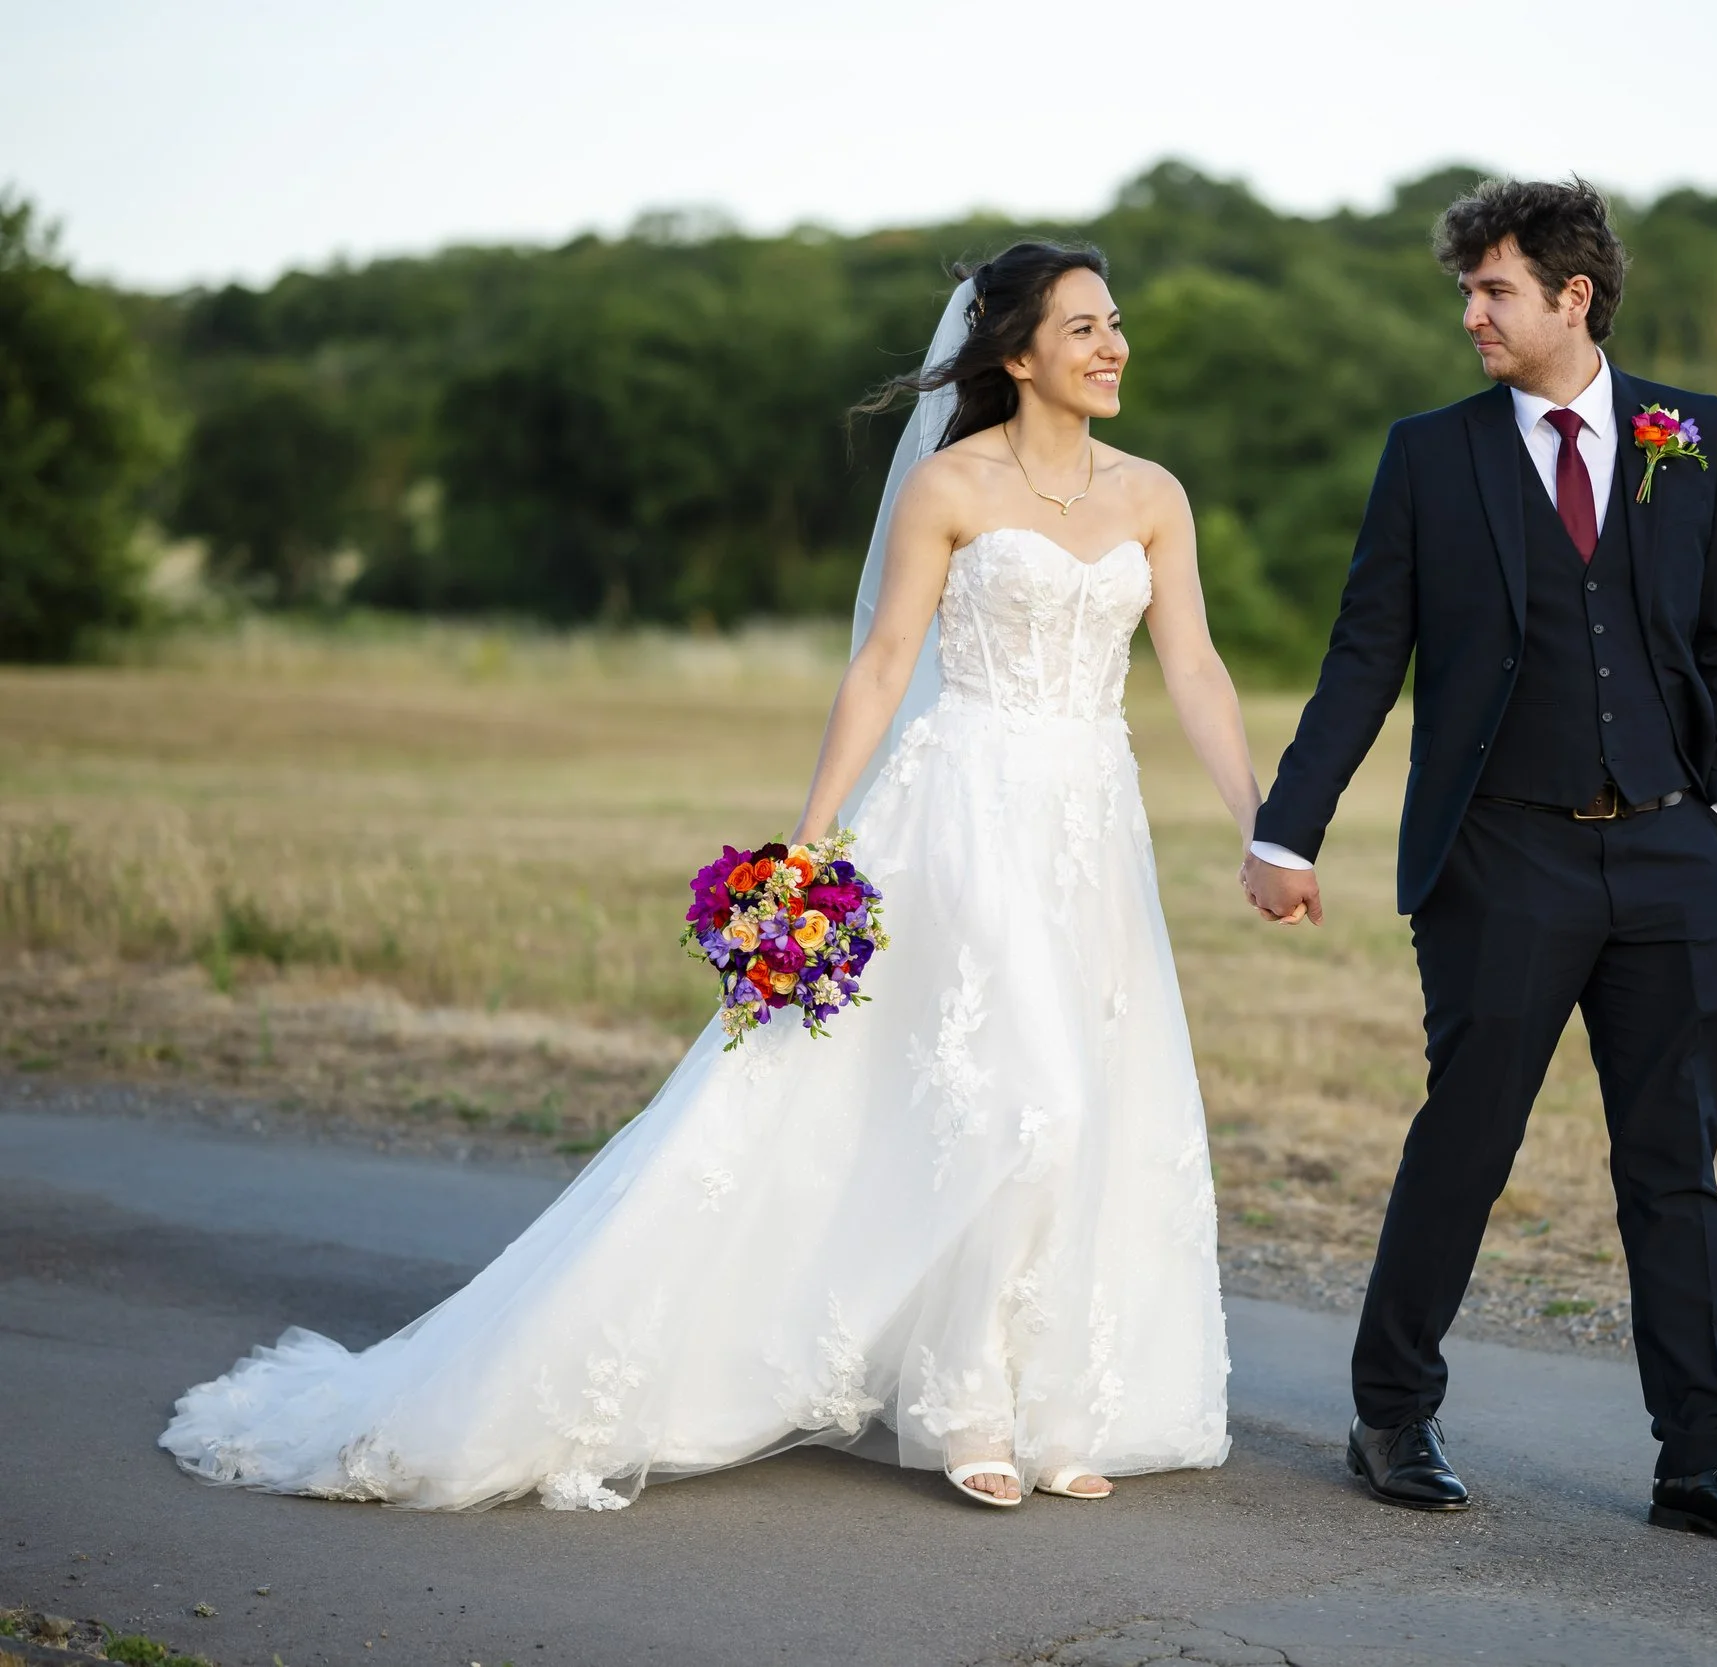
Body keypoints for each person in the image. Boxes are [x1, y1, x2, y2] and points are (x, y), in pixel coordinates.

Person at [161, 243, 1256, 1512]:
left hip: (1092, 827)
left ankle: (1065, 1398)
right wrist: (807, 842)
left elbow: (1195, 670)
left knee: (1095, 1103)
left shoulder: (1154, 495)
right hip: (961, 811)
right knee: (1037, 1101)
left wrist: (1258, 824)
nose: (1112, 345)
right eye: (1083, 327)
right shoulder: (952, 485)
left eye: (1114, 322)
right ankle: (966, 1402)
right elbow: (884, 662)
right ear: (1016, 354)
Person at [1242, 180, 1717, 1545]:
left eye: (1495, 289)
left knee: (1673, 1164)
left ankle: (1703, 1457)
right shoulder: (1430, 455)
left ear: (1577, 296)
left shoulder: (1693, 433)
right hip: (1501, 854)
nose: (1471, 314)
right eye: (1466, 289)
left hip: (1676, 855)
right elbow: (1363, 655)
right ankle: (1391, 1408)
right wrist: (1289, 825)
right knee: (1470, 1136)